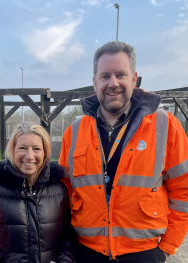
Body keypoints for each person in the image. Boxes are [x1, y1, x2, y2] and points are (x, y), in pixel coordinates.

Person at [59, 41, 188, 263]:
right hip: (86, 252)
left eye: (120, 74)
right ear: (94, 82)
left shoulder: (165, 125)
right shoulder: (74, 131)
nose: (113, 83)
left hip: (143, 253)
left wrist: (166, 248)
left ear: (134, 78)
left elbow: (184, 191)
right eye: (105, 76)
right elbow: (63, 191)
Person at [0, 122, 74, 263]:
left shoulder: (59, 190)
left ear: (45, 152)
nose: (29, 156)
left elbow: (68, 239)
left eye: (36, 149)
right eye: (23, 148)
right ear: (13, 150)